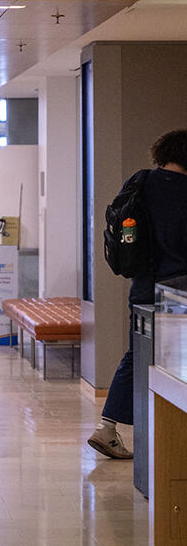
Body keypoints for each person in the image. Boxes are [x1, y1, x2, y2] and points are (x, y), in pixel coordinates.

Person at [87, 130, 187, 459]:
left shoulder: (141, 181)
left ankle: (107, 427)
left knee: (137, 354)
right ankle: (168, 439)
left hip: (142, 285)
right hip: (178, 290)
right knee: (177, 367)